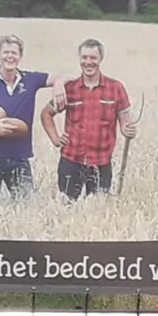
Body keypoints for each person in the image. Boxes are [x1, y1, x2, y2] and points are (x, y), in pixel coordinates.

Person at [0, 34, 66, 202]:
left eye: (14, 53)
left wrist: (58, 84)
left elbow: (61, 77)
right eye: (6, 52)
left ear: (20, 56)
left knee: (26, 208)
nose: (10, 56)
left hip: (19, 156)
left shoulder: (31, 79)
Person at [40, 38, 137, 201]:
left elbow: (125, 122)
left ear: (101, 59)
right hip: (71, 161)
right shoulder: (69, 89)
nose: (88, 62)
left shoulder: (116, 88)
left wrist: (129, 131)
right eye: (84, 58)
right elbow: (46, 114)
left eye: (93, 58)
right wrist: (55, 139)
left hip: (101, 162)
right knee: (66, 209)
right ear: (80, 59)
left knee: (98, 211)